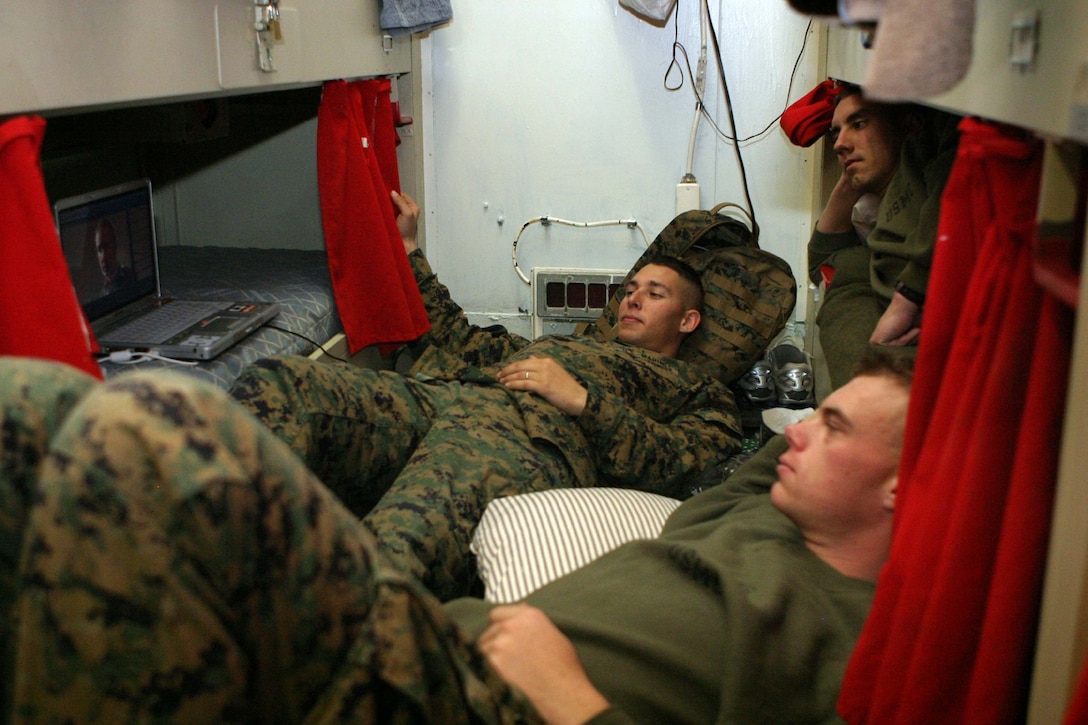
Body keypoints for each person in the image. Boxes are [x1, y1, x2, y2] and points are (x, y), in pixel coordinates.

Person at [1, 348, 910, 723]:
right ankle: (217, 549)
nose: (794, 431)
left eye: (832, 427)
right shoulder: (760, 507)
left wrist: (573, 704)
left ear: (911, 488)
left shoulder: (853, 639)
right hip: (448, 520)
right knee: (40, 409)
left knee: (151, 431)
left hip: (477, 700)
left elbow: (679, 453)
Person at [228, 191, 743, 601]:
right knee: (281, 385)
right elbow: (457, 337)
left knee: (393, 549)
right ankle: (227, 574)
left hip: (533, 437)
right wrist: (409, 248)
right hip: (450, 398)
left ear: (688, 319)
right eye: (631, 288)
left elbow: (677, 463)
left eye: (655, 293)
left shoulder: (700, 393)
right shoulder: (564, 345)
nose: (633, 297)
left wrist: (583, 401)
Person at [808, 84, 960, 391]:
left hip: (917, 326)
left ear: (908, 126)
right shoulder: (873, 205)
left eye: (859, 124)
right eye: (835, 133)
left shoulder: (926, 166)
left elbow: (950, 210)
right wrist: (851, 175)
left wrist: (906, 302)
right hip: (882, 309)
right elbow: (821, 264)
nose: (839, 144)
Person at [93, 217, 136, 295]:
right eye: (99, 250)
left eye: (106, 247)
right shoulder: (102, 293)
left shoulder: (129, 277)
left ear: (115, 247)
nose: (103, 257)